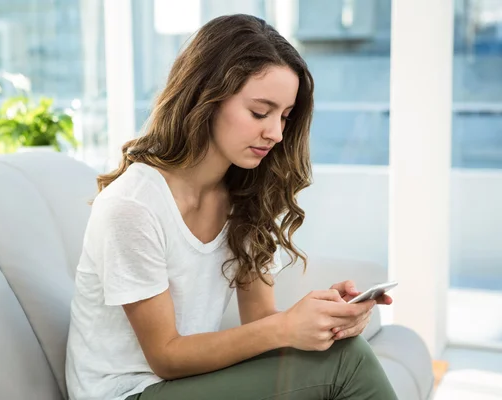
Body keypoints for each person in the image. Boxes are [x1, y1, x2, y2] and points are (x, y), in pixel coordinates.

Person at [65, 13, 398, 400]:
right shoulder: (133, 207)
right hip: (131, 393)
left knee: (342, 350)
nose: (274, 133)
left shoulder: (243, 197)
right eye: (260, 112)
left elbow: (259, 320)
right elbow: (166, 357)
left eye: (285, 117)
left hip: (190, 385)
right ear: (205, 98)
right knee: (348, 362)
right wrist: (287, 327)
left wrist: (327, 319)